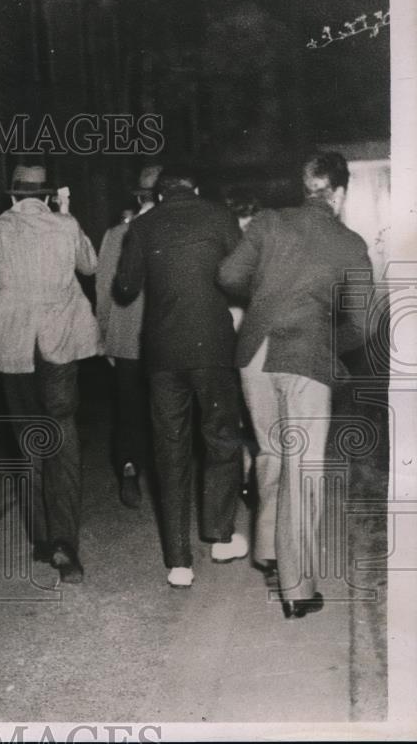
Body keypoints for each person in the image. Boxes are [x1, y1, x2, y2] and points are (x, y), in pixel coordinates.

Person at [218, 152, 372, 619]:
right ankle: (297, 589)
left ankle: (268, 551)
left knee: (270, 453)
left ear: (306, 187)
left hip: (254, 355)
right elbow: (363, 325)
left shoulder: (268, 222)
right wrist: (326, 342)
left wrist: (265, 297)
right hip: (305, 359)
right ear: (340, 192)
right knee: (304, 468)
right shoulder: (350, 243)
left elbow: (227, 275)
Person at [0, 165, 99, 584]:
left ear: (12, 197)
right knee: (62, 436)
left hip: (14, 348)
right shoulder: (65, 224)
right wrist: (66, 210)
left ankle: (40, 537)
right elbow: (91, 267)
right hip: (59, 345)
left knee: (27, 439)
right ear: (45, 195)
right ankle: (65, 543)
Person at [114, 164, 246, 588]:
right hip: (213, 348)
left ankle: (179, 562)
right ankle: (221, 536)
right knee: (221, 437)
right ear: (195, 186)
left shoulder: (144, 224)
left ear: (158, 192)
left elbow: (126, 289)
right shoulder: (219, 216)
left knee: (168, 450)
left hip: (163, 354)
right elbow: (241, 276)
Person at [95, 164, 161, 508]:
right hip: (165, 340)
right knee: (164, 411)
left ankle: (129, 466)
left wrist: (104, 335)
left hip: (125, 340)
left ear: (138, 197)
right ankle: (164, 478)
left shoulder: (115, 235)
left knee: (128, 410)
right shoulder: (173, 232)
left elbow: (104, 290)